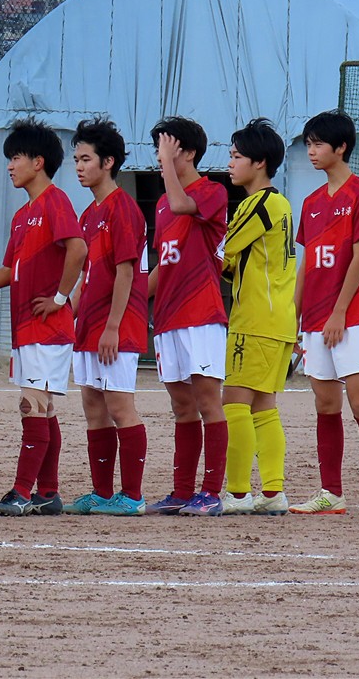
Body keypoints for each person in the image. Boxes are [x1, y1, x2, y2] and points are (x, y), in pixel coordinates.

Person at [0, 119, 86, 517]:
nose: (10, 166)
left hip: (47, 328)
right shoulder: (22, 215)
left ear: (38, 161)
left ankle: (21, 491)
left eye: (15, 157)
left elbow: (79, 249)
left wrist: (60, 298)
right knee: (44, 409)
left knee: (32, 406)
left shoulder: (55, 201)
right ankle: (47, 492)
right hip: (28, 329)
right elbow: (7, 270)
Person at [289, 109, 359, 516]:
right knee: (325, 403)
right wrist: (293, 316)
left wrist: (339, 312)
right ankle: (331, 492)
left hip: (356, 313)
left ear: (341, 146)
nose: (311, 151)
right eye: (308, 144)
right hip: (315, 316)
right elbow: (307, 264)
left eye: (318, 144)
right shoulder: (311, 202)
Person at [63, 118, 149, 516]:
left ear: (108, 161)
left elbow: (126, 272)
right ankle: (101, 492)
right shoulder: (88, 214)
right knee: (93, 407)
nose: (79, 167)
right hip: (89, 326)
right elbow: (87, 276)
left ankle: (132, 496)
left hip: (117, 325)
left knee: (119, 406)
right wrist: (67, 315)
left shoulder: (123, 208)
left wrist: (113, 326)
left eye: (86, 159)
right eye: (76, 160)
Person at [145, 116, 229, 517]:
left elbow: (182, 203)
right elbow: (163, 265)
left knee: (208, 400)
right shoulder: (162, 204)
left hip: (201, 313)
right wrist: (129, 300)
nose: (160, 157)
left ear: (189, 152)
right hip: (168, 317)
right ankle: (181, 491)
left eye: (167, 148)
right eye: (158, 150)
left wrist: (166, 165)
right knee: (181, 405)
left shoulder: (211, 191)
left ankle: (211, 492)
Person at [220, 119, 296, 516]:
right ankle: (272, 491)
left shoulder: (258, 204)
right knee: (263, 407)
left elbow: (222, 252)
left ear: (260, 162)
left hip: (254, 320)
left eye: (236, 156)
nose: (230, 164)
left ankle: (236, 494)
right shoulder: (280, 204)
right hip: (278, 320)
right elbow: (235, 263)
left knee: (233, 403)